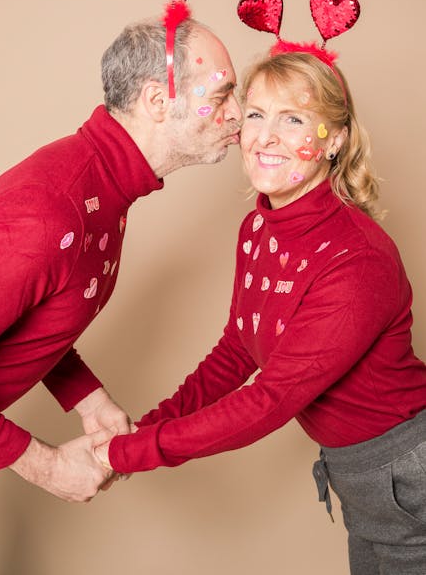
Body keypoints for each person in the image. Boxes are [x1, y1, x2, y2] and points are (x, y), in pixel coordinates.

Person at [0, 9, 242, 574]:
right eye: (222, 95)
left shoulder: (103, 189)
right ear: (155, 100)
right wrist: (45, 466)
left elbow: (27, 313)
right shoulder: (54, 210)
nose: (238, 116)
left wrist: (88, 399)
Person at [94, 45, 426, 574]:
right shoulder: (257, 229)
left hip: (407, 473)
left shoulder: (357, 260)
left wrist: (123, 454)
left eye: (293, 119)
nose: (265, 137)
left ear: (334, 139)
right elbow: (236, 350)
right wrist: (143, 431)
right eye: (255, 114)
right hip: (360, 477)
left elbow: (269, 402)